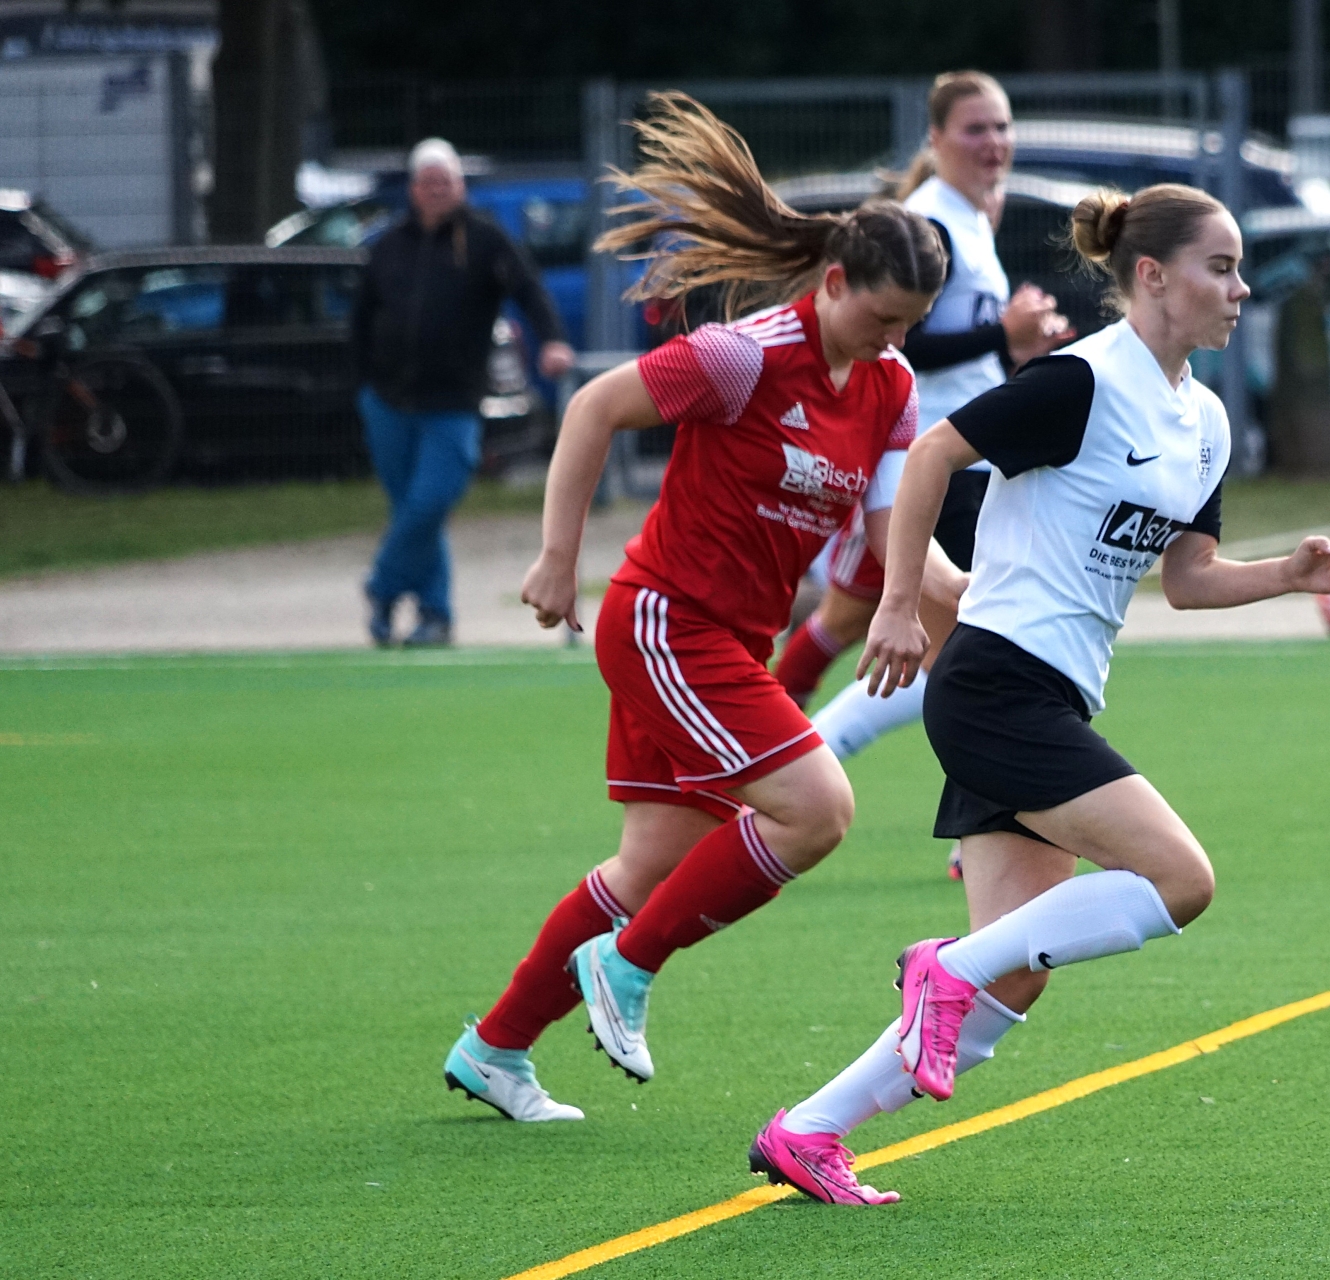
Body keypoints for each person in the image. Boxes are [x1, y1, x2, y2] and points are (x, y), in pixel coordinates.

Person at [746, 184, 1330, 1205]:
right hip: (996, 685)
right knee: (1180, 879)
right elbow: (934, 454)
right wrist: (898, 604)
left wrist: (1289, 575)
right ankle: (943, 967)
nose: (1242, 289)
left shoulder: (1203, 421)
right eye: (1221, 267)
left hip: (1049, 697)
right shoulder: (1083, 379)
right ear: (1152, 275)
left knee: (1018, 971)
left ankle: (808, 1129)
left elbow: (1187, 579)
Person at [441, 93, 960, 1122]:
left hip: (726, 639)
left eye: (910, 323)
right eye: (880, 316)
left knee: (650, 865)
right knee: (818, 809)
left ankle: (495, 1046)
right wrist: (558, 560)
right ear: (834, 281)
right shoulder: (746, 355)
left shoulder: (891, 388)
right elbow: (595, 406)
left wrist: (976, 600)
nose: (894, 338)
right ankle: (628, 964)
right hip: (665, 622)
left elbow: (897, 537)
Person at [775, 71, 1072, 743]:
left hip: (951, 458)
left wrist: (1019, 348)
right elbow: (907, 348)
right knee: (965, 660)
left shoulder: (969, 216)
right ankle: (795, 757)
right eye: (975, 129)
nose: (993, 142)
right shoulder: (933, 220)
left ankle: (782, 753)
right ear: (935, 138)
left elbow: (951, 347)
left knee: (862, 623)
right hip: (937, 461)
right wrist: (1001, 333)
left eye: (1002, 126)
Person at [351, 137, 576, 647]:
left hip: (452, 403)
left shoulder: (485, 240)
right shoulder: (388, 246)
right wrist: (363, 384)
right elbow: (361, 319)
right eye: (427, 182)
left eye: (445, 181)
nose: (436, 190)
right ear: (413, 189)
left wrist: (553, 339)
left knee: (429, 503)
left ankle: (382, 586)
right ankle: (434, 614)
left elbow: (529, 290)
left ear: (459, 186)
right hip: (388, 400)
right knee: (410, 512)